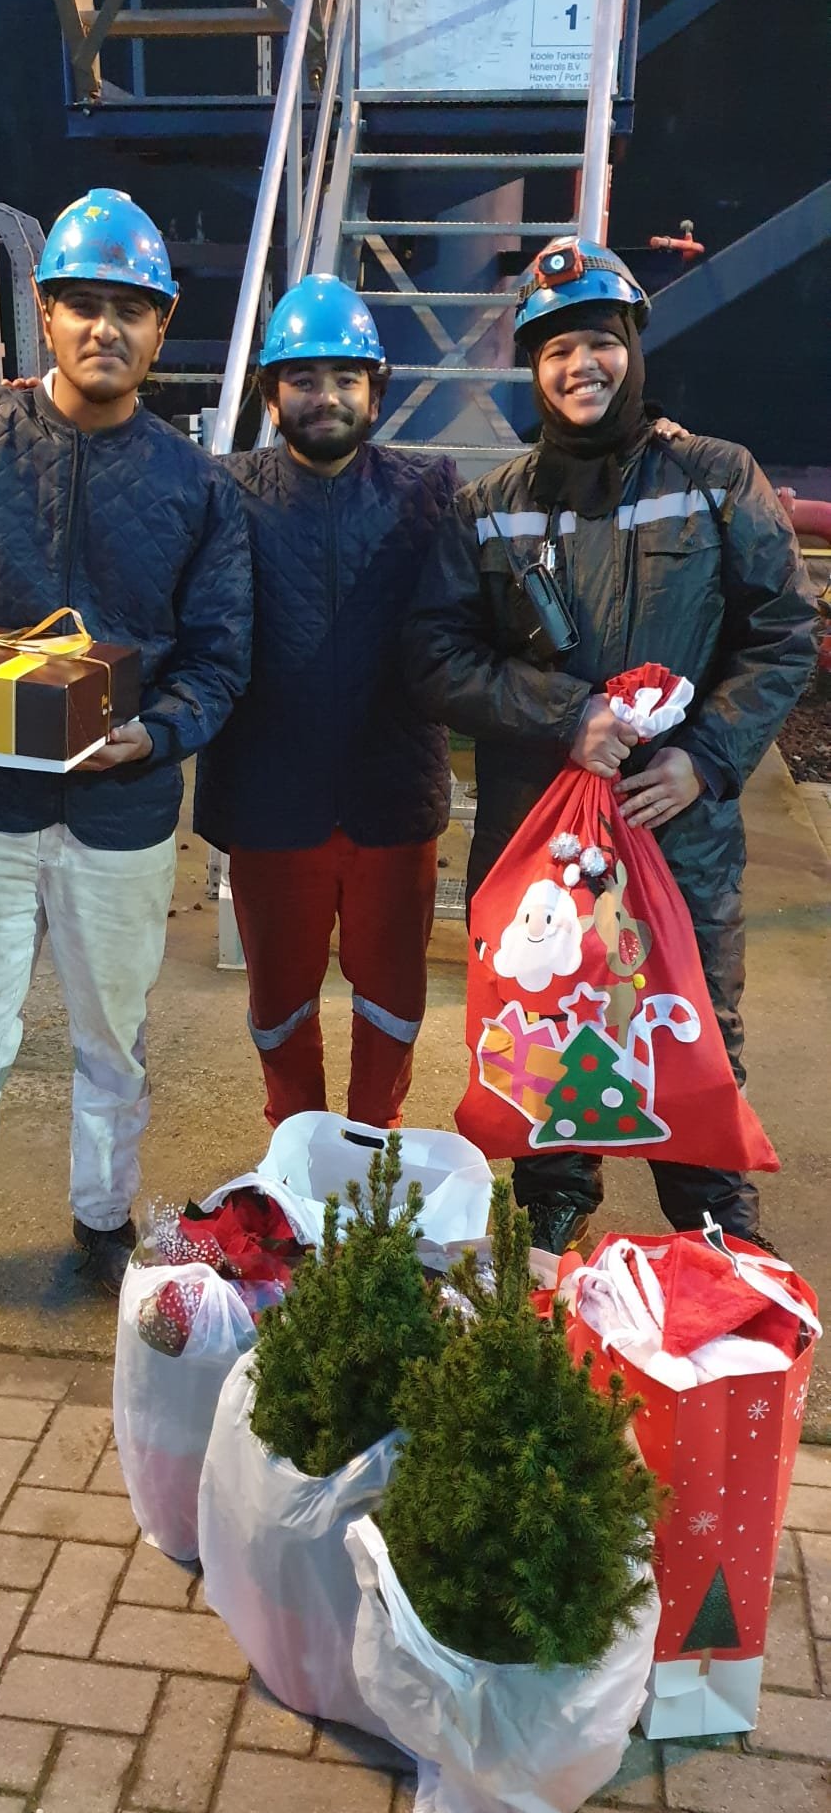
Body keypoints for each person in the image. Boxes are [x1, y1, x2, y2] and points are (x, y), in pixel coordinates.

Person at [0, 188, 252, 1344]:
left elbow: (218, 659)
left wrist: (157, 732)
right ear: (43, 308)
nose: (103, 329)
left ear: (161, 324)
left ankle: (99, 1219)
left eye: (129, 309)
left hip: (121, 814)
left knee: (110, 1037)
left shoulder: (194, 486)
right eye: (82, 303)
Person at [402, 235, 817, 1255]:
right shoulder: (487, 510)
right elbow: (433, 657)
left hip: (679, 832)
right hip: (539, 840)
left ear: (630, 347)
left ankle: (711, 1227)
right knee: (548, 1022)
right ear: (530, 371)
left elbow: (781, 630)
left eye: (596, 342)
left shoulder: (716, 481)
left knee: (690, 1027)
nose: (577, 366)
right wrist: (561, 714)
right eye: (552, 351)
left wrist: (707, 757)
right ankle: (548, 1214)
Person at [194, 275, 456, 1130]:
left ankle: (373, 1148)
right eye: (303, 379)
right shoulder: (221, 490)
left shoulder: (433, 490)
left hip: (393, 800)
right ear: (270, 394)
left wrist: (652, 439)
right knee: (279, 1005)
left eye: (346, 378)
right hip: (271, 808)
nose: (326, 396)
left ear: (376, 390)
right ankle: (298, 1150)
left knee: (393, 1001)